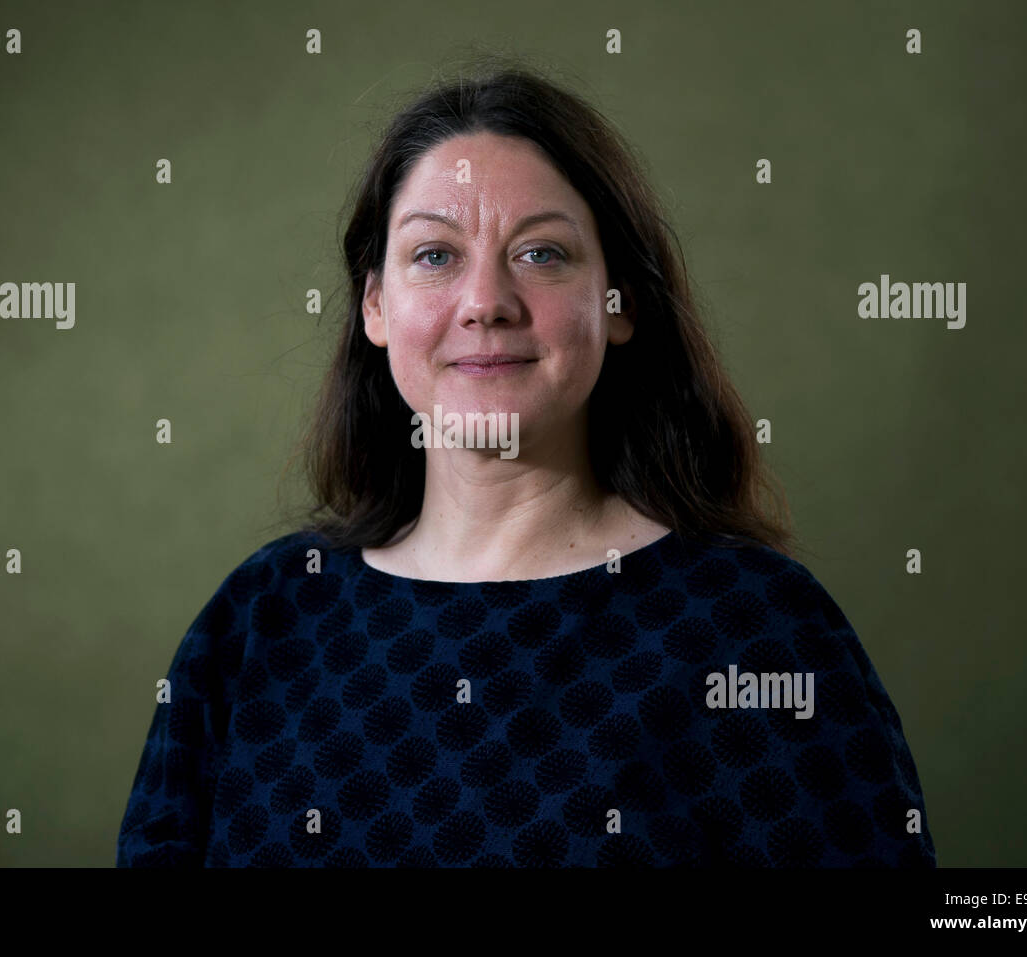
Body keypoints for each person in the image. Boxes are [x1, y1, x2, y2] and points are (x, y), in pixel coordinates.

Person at [116, 62, 936, 867]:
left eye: (542, 254)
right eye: (434, 255)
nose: (486, 301)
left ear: (621, 303)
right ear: (374, 305)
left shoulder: (757, 635)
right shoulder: (259, 623)